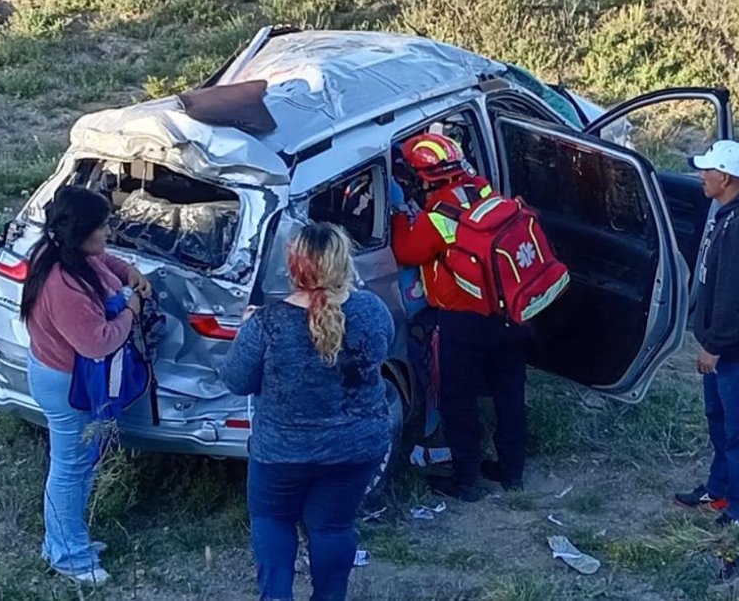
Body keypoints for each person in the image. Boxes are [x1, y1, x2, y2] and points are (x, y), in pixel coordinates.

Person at [218, 223, 392, 601]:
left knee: (273, 520)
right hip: (357, 446)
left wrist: (246, 330)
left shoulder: (266, 324)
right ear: (343, 262)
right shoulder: (373, 310)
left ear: (293, 266)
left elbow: (236, 381)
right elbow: (382, 351)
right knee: (331, 527)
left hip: (282, 453)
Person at [20, 186, 151, 586]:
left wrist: (129, 272)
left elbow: (102, 261)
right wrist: (130, 309)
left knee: (78, 465)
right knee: (69, 469)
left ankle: (67, 540)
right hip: (66, 385)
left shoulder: (63, 251)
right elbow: (98, 342)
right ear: (81, 232)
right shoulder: (64, 287)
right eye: (103, 226)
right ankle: (67, 555)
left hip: (63, 376)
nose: (109, 232)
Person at [390, 132, 531, 501]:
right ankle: (512, 471)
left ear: (423, 176)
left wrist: (398, 216)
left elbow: (407, 252)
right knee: (509, 392)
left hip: (465, 319)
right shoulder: (484, 190)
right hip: (511, 311)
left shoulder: (437, 216)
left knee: (458, 397)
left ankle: (466, 479)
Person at [672, 140, 739, 531]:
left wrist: (714, 346)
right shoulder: (728, 214)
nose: (701, 176)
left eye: (707, 170)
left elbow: (738, 296)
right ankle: (720, 489)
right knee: (721, 423)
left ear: (725, 177)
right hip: (728, 351)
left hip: (738, 354)